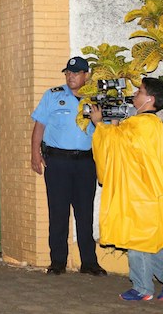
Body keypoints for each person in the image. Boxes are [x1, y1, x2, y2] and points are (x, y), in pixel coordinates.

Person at [91, 77, 163, 301]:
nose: (135, 94)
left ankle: (143, 288)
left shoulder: (142, 125)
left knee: (137, 240)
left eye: (140, 91)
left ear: (150, 99)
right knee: (144, 240)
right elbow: (124, 148)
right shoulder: (146, 124)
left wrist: (99, 124)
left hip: (141, 194)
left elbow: (114, 147)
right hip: (143, 192)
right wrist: (114, 124)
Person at [30, 56, 107, 276]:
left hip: (86, 163)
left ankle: (89, 262)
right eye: (68, 73)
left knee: (85, 213)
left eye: (75, 73)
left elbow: (107, 129)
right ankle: (57, 261)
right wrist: (35, 153)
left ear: (86, 75)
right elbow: (39, 126)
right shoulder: (53, 95)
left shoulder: (96, 99)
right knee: (58, 212)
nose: (70, 76)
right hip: (58, 162)